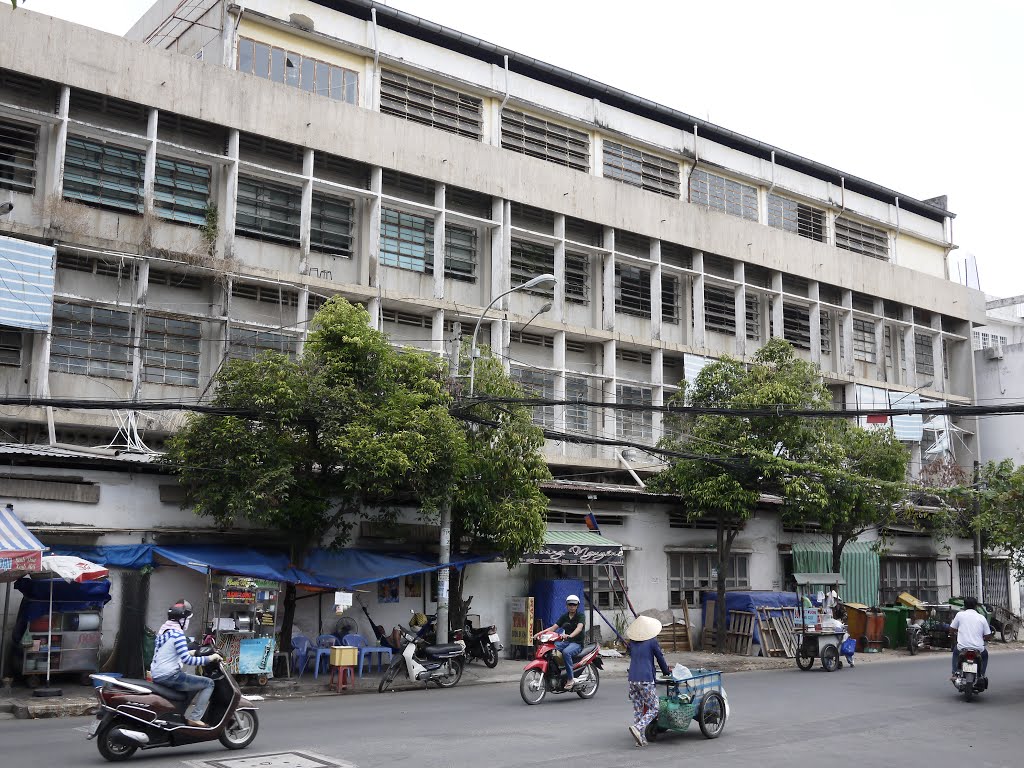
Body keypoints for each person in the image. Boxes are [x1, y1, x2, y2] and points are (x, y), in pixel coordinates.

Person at [151, 599, 222, 727]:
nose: (188, 622)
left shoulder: (164, 630)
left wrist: (192, 652)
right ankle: (195, 718)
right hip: (170, 675)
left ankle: (179, 715)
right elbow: (187, 661)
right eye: (187, 619)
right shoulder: (178, 635)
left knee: (192, 683)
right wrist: (210, 658)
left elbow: (168, 651)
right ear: (181, 620)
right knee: (208, 683)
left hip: (157, 673)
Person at [624, 615, 670, 748]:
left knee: (638, 709)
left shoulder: (632, 642)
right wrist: (666, 672)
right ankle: (638, 728)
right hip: (645, 678)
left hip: (632, 679)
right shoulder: (652, 641)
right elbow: (660, 658)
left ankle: (640, 739)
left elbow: (632, 654)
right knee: (655, 707)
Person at [535, 594, 585, 690]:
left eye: (574, 605)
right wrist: (539, 634)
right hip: (566, 642)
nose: (572, 606)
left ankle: (570, 679)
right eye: (570, 604)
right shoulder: (564, 617)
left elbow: (579, 628)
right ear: (566, 605)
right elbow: (553, 628)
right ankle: (556, 672)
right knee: (550, 648)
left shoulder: (580, 616)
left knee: (566, 652)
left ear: (577, 606)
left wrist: (570, 635)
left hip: (577, 643)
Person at [948, 596, 993, 681]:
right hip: (978, 648)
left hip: (962, 647)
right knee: (985, 655)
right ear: (976, 606)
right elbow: (988, 635)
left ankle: (955, 673)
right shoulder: (981, 617)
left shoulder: (959, 615)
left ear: (964, 606)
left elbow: (951, 629)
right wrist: (985, 638)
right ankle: (982, 675)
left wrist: (952, 634)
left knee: (955, 652)